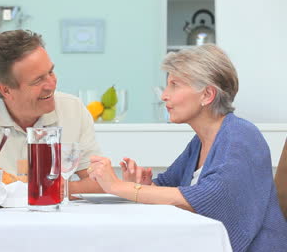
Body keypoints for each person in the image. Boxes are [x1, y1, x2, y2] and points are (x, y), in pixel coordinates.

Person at [87, 44, 287, 252]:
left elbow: (205, 199)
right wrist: (146, 186)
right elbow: (168, 187)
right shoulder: (200, 142)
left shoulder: (242, 136)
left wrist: (119, 187)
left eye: (174, 85)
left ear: (207, 95)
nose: (164, 95)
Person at [0, 29, 102, 194]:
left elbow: (100, 181)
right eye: (38, 80)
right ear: (6, 90)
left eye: (50, 72)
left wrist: (59, 189)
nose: (51, 85)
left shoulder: (73, 110)